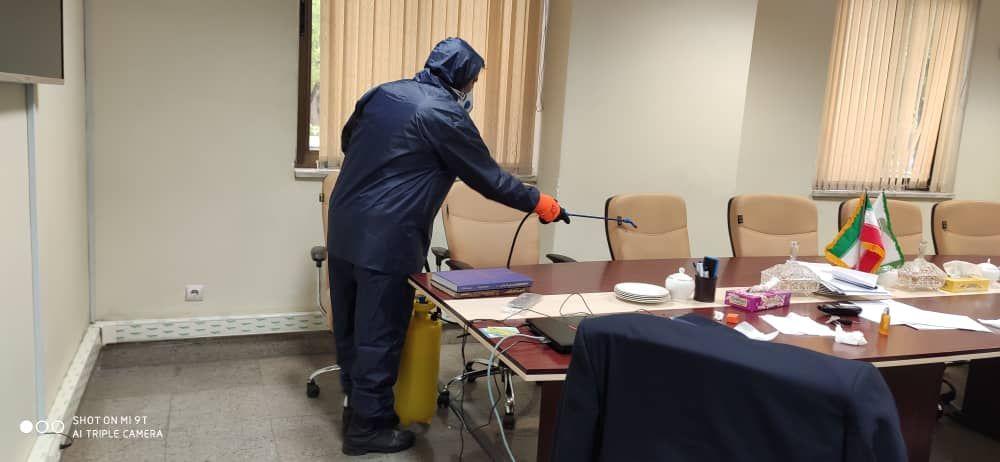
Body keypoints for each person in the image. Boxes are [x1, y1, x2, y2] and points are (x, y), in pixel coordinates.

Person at [327, 37, 569, 456]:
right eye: (473, 82)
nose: (472, 90)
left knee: (350, 328)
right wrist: (541, 203)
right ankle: (368, 428)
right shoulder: (444, 114)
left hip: (345, 225)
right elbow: (490, 178)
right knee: (379, 333)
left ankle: (356, 409)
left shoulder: (383, 93)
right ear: (462, 78)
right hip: (388, 238)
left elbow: (350, 141)